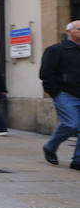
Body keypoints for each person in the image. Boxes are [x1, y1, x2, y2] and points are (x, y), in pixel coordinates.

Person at [40, 20, 80, 169]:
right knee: (72, 124)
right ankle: (50, 147)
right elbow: (46, 72)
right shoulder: (56, 50)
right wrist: (54, 92)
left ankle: (78, 160)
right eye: (79, 29)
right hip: (65, 94)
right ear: (68, 32)